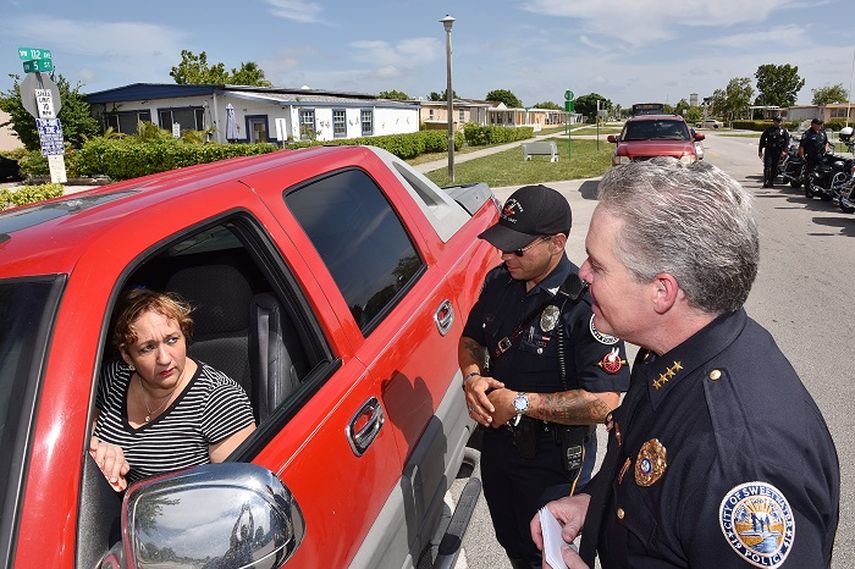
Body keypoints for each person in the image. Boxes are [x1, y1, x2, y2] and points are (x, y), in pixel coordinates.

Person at [531, 158, 839, 569]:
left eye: (598, 265)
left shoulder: (737, 462)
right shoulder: (676, 349)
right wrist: (595, 501)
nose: (583, 273)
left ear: (663, 292)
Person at [460, 184, 630, 569]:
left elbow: (605, 402)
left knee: (547, 554)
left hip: (553, 461)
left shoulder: (586, 305)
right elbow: (471, 338)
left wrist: (520, 403)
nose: (505, 255)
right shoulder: (499, 282)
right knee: (512, 539)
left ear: (557, 243)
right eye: (502, 245)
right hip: (499, 447)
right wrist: (473, 378)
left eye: (518, 249)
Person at [89, 288, 256, 490]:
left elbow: (236, 491)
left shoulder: (220, 399)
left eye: (172, 340)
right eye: (148, 348)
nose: (164, 359)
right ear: (127, 356)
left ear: (184, 336)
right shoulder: (113, 378)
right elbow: (79, 440)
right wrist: (98, 451)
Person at [799, 117, 829, 197]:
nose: (819, 126)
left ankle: (820, 189)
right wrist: (802, 156)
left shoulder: (822, 133)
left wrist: (826, 149)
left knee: (821, 173)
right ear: (812, 124)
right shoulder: (807, 134)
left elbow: (826, 142)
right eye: (817, 124)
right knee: (809, 174)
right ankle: (808, 191)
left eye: (820, 124)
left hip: (820, 156)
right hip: (810, 156)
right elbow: (802, 146)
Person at [758, 116, 790, 187]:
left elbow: (787, 141)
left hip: (778, 150)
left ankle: (771, 181)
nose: (777, 123)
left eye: (779, 121)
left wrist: (785, 151)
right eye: (776, 121)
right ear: (774, 121)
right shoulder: (769, 129)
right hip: (769, 149)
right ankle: (766, 181)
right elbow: (762, 139)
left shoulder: (783, 131)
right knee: (768, 166)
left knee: (774, 167)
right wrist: (760, 150)